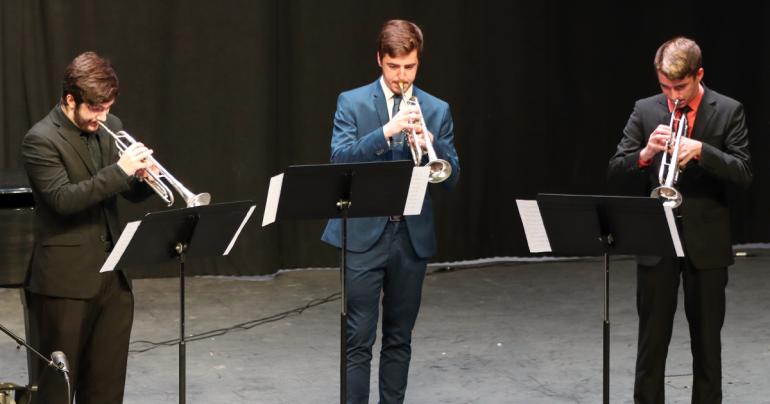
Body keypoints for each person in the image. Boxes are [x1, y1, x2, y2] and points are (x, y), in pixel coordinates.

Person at [321, 19, 460, 404]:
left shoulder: (436, 109)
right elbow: (339, 160)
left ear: (418, 62)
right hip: (364, 234)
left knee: (400, 339)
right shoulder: (352, 102)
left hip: (410, 238)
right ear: (379, 60)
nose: (402, 77)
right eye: (394, 67)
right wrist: (386, 132)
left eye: (410, 67)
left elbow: (449, 179)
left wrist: (434, 145)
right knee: (358, 340)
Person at [608, 37, 752, 403]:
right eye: (665, 87)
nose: (673, 96)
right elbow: (616, 169)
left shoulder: (728, 110)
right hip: (656, 241)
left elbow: (743, 171)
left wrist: (703, 151)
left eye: (681, 86)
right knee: (651, 344)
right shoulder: (645, 110)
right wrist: (645, 153)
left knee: (707, 345)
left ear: (698, 74)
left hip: (707, 244)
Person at [21, 51, 156, 404]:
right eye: (95, 109)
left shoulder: (111, 128)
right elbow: (64, 200)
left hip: (113, 277)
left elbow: (126, 192)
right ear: (70, 99)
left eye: (108, 108)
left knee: (107, 389)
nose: (104, 117)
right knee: (58, 391)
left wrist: (143, 178)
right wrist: (121, 172)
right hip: (63, 283)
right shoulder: (40, 140)